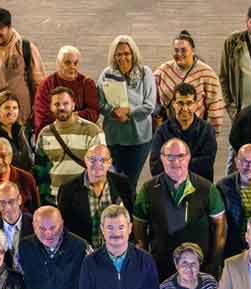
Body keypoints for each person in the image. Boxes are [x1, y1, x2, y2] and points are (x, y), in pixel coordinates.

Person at [134, 138, 227, 278]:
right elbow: (139, 227)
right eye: (169, 157)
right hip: (161, 270)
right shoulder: (148, 190)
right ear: (162, 158)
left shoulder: (207, 189)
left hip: (199, 270)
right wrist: (147, 263)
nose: (175, 162)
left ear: (188, 157)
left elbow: (220, 225)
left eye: (180, 156)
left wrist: (214, 264)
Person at [99, 35, 156, 184]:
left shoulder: (145, 73)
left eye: (126, 53)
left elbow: (150, 105)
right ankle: (115, 208)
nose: (123, 57)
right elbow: (99, 103)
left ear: (133, 54)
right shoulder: (106, 74)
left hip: (138, 139)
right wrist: (113, 112)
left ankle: (130, 208)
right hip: (113, 139)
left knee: (130, 182)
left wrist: (128, 111)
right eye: (119, 54)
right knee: (112, 182)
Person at [33, 87, 107, 204]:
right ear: (51, 107)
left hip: (84, 199)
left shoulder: (92, 131)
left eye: (65, 103)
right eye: (57, 104)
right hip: (54, 199)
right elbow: (40, 171)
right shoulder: (45, 134)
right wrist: (43, 200)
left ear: (73, 105)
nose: (61, 107)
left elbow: (100, 169)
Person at [57, 144, 136, 248]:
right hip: (83, 254)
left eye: (103, 160)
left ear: (110, 163)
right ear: (85, 160)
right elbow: (64, 228)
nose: (97, 164)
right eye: (92, 160)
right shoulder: (68, 190)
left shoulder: (123, 184)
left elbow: (131, 217)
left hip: (116, 251)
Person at [153, 30, 225, 133]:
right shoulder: (163, 71)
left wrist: (211, 135)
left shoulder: (207, 74)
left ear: (192, 50)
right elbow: (150, 94)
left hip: (196, 133)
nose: (179, 54)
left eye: (183, 50)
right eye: (176, 50)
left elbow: (215, 109)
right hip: (167, 132)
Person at [148, 82, 218, 181]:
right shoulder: (162, 131)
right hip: (170, 187)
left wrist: (173, 164)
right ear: (173, 104)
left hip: (199, 187)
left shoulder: (207, 130)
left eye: (189, 103)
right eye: (180, 103)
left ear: (195, 104)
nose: (185, 109)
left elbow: (206, 165)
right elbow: (155, 165)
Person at [33, 45, 99, 135]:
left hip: (82, 136)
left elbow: (94, 113)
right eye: (68, 63)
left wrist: (67, 117)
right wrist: (72, 117)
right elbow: (42, 117)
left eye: (75, 63)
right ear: (58, 64)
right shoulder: (46, 85)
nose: (72, 67)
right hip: (53, 136)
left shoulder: (87, 84)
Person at [0, 181, 34, 268]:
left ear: (19, 199)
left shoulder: (36, 225)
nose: (8, 207)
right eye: (2, 203)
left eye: (11, 201)